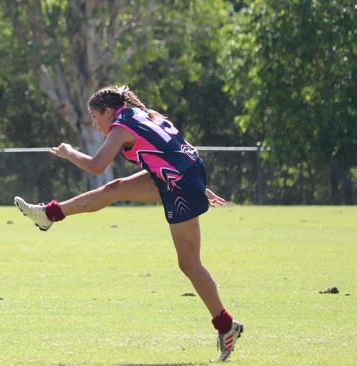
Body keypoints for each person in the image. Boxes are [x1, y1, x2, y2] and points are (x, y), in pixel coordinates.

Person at [14, 86, 242, 361]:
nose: (94, 124)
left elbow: (97, 165)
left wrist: (69, 153)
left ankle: (226, 325)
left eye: (94, 116)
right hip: (179, 176)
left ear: (108, 111)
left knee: (189, 263)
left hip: (178, 183)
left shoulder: (121, 126)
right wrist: (199, 184)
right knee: (114, 189)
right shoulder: (140, 113)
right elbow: (176, 147)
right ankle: (49, 214)